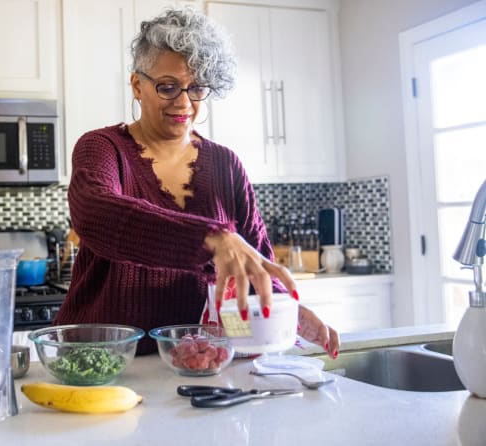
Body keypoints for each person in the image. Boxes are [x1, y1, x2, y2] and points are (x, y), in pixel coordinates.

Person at [53, 7, 339, 358]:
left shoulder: (225, 164)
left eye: (197, 87)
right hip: (103, 363)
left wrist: (286, 311)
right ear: (137, 85)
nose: (184, 102)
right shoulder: (102, 148)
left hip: (200, 362)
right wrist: (210, 237)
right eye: (168, 86)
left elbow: (255, 259)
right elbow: (96, 213)